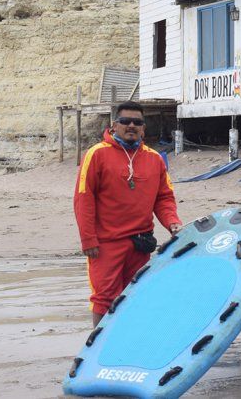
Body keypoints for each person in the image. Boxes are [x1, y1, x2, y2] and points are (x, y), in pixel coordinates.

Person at [74, 101, 182, 327]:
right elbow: (83, 198)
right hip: (105, 244)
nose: (131, 126)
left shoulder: (154, 159)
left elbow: (163, 198)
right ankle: (99, 352)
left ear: (143, 128)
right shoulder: (96, 154)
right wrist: (88, 239)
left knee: (135, 296)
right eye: (125, 121)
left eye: (137, 122)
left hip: (140, 243)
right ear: (114, 125)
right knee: (104, 299)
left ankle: (130, 348)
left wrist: (172, 223)